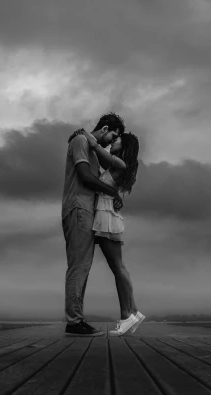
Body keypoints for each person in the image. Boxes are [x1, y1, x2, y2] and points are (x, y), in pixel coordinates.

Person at [61, 112, 125, 337]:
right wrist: (112, 192)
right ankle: (73, 321)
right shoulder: (80, 141)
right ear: (105, 129)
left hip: (87, 211)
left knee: (83, 266)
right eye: (114, 135)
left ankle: (77, 319)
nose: (113, 141)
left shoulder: (91, 148)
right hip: (79, 208)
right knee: (79, 265)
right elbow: (85, 177)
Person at [79, 127, 145, 337]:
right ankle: (133, 313)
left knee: (117, 267)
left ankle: (126, 315)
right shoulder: (116, 163)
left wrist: (90, 137)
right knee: (119, 267)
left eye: (117, 141)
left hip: (106, 216)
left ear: (123, 147)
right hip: (106, 214)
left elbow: (97, 147)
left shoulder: (120, 163)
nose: (113, 143)